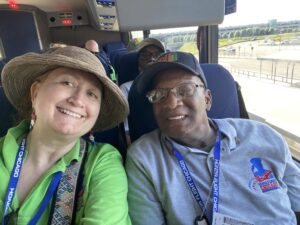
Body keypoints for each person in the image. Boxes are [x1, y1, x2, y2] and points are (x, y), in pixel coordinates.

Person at [125, 51, 300, 225]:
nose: (171, 103)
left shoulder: (263, 136)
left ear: (207, 99)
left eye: (185, 90)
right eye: (159, 95)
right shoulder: (144, 158)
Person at [0, 46, 131, 224]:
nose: (77, 100)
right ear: (35, 93)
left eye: (91, 94)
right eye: (67, 83)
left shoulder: (102, 162)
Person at [120, 38, 165, 141]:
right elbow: (127, 130)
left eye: (157, 54)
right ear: (138, 60)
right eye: (145, 54)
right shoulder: (127, 88)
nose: (152, 58)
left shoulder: (170, 86)